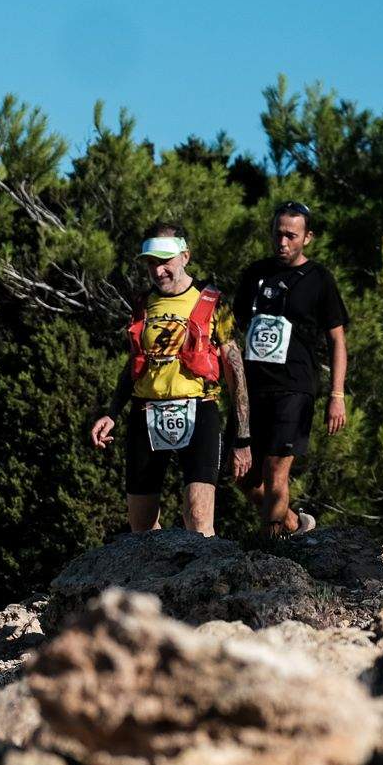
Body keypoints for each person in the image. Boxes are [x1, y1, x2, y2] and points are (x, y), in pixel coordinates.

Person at [89, 224, 251, 535]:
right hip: (146, 412)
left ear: (185, 256)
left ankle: (206, 568)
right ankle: (158, 568)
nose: (158, 271)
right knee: (141, 526)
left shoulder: (213, 301)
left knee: (198, 516)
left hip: (198, 408)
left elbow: (235, 371)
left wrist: (242, 438)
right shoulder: (142, 304)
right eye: (151, 263)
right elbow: (134, 362)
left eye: (165, 261)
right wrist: (112, 412)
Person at [231, 202, 350, 535]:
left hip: (295, 387)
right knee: (243, 476)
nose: (282, 242)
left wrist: (337, 394)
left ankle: (270, 548)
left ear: (307, 237)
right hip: (253, 387)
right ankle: (295, 525)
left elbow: (337, 340)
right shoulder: (255, 273)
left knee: (275, 471)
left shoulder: (319, 279)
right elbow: (233, 328)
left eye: (291, 236)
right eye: (277, 234)